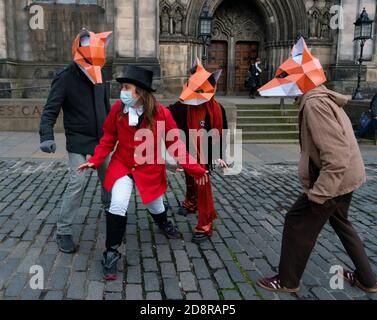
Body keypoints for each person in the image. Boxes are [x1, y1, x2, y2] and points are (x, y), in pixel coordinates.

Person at [257, 37, 377, 294]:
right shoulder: (320, 98)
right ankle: (368, 279)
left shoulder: (314, 104)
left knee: (296, 222)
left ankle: (287, 280)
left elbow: (336, 156)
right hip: (347, 178)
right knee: (341, 223)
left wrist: (318, 195)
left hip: (334, 181)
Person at [78, 65, 209, 280]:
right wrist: (94, 160)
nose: (122, 92)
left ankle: (163, 221)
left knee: (155, 205)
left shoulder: (162, 114)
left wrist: (194, 168)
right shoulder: (118, 110)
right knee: (117, 204)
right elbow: (108, 138)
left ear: (139, 91)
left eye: (127, 87)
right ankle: (111, 252)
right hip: (122, 164)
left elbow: (175, 144)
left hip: (149, 168)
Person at [39, 29, 113, 254]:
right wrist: (46, 136)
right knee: (77, 182)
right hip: (78, 139)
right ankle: (63, 229)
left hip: (101, 139)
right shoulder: (65, 77)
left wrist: (113, 133)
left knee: (109, 178)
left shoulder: (101, 74)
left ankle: (110, 210)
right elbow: (50, 110)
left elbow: (106, 107)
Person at [168, 58, 228, 243]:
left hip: (205, 154)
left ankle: (205, 224)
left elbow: (221, 132)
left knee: (203, 185)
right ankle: (190, 203)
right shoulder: (182, 105)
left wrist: (219, 156)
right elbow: (167, 114)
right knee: (189, 180)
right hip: (187, 151)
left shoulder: (217, 109)